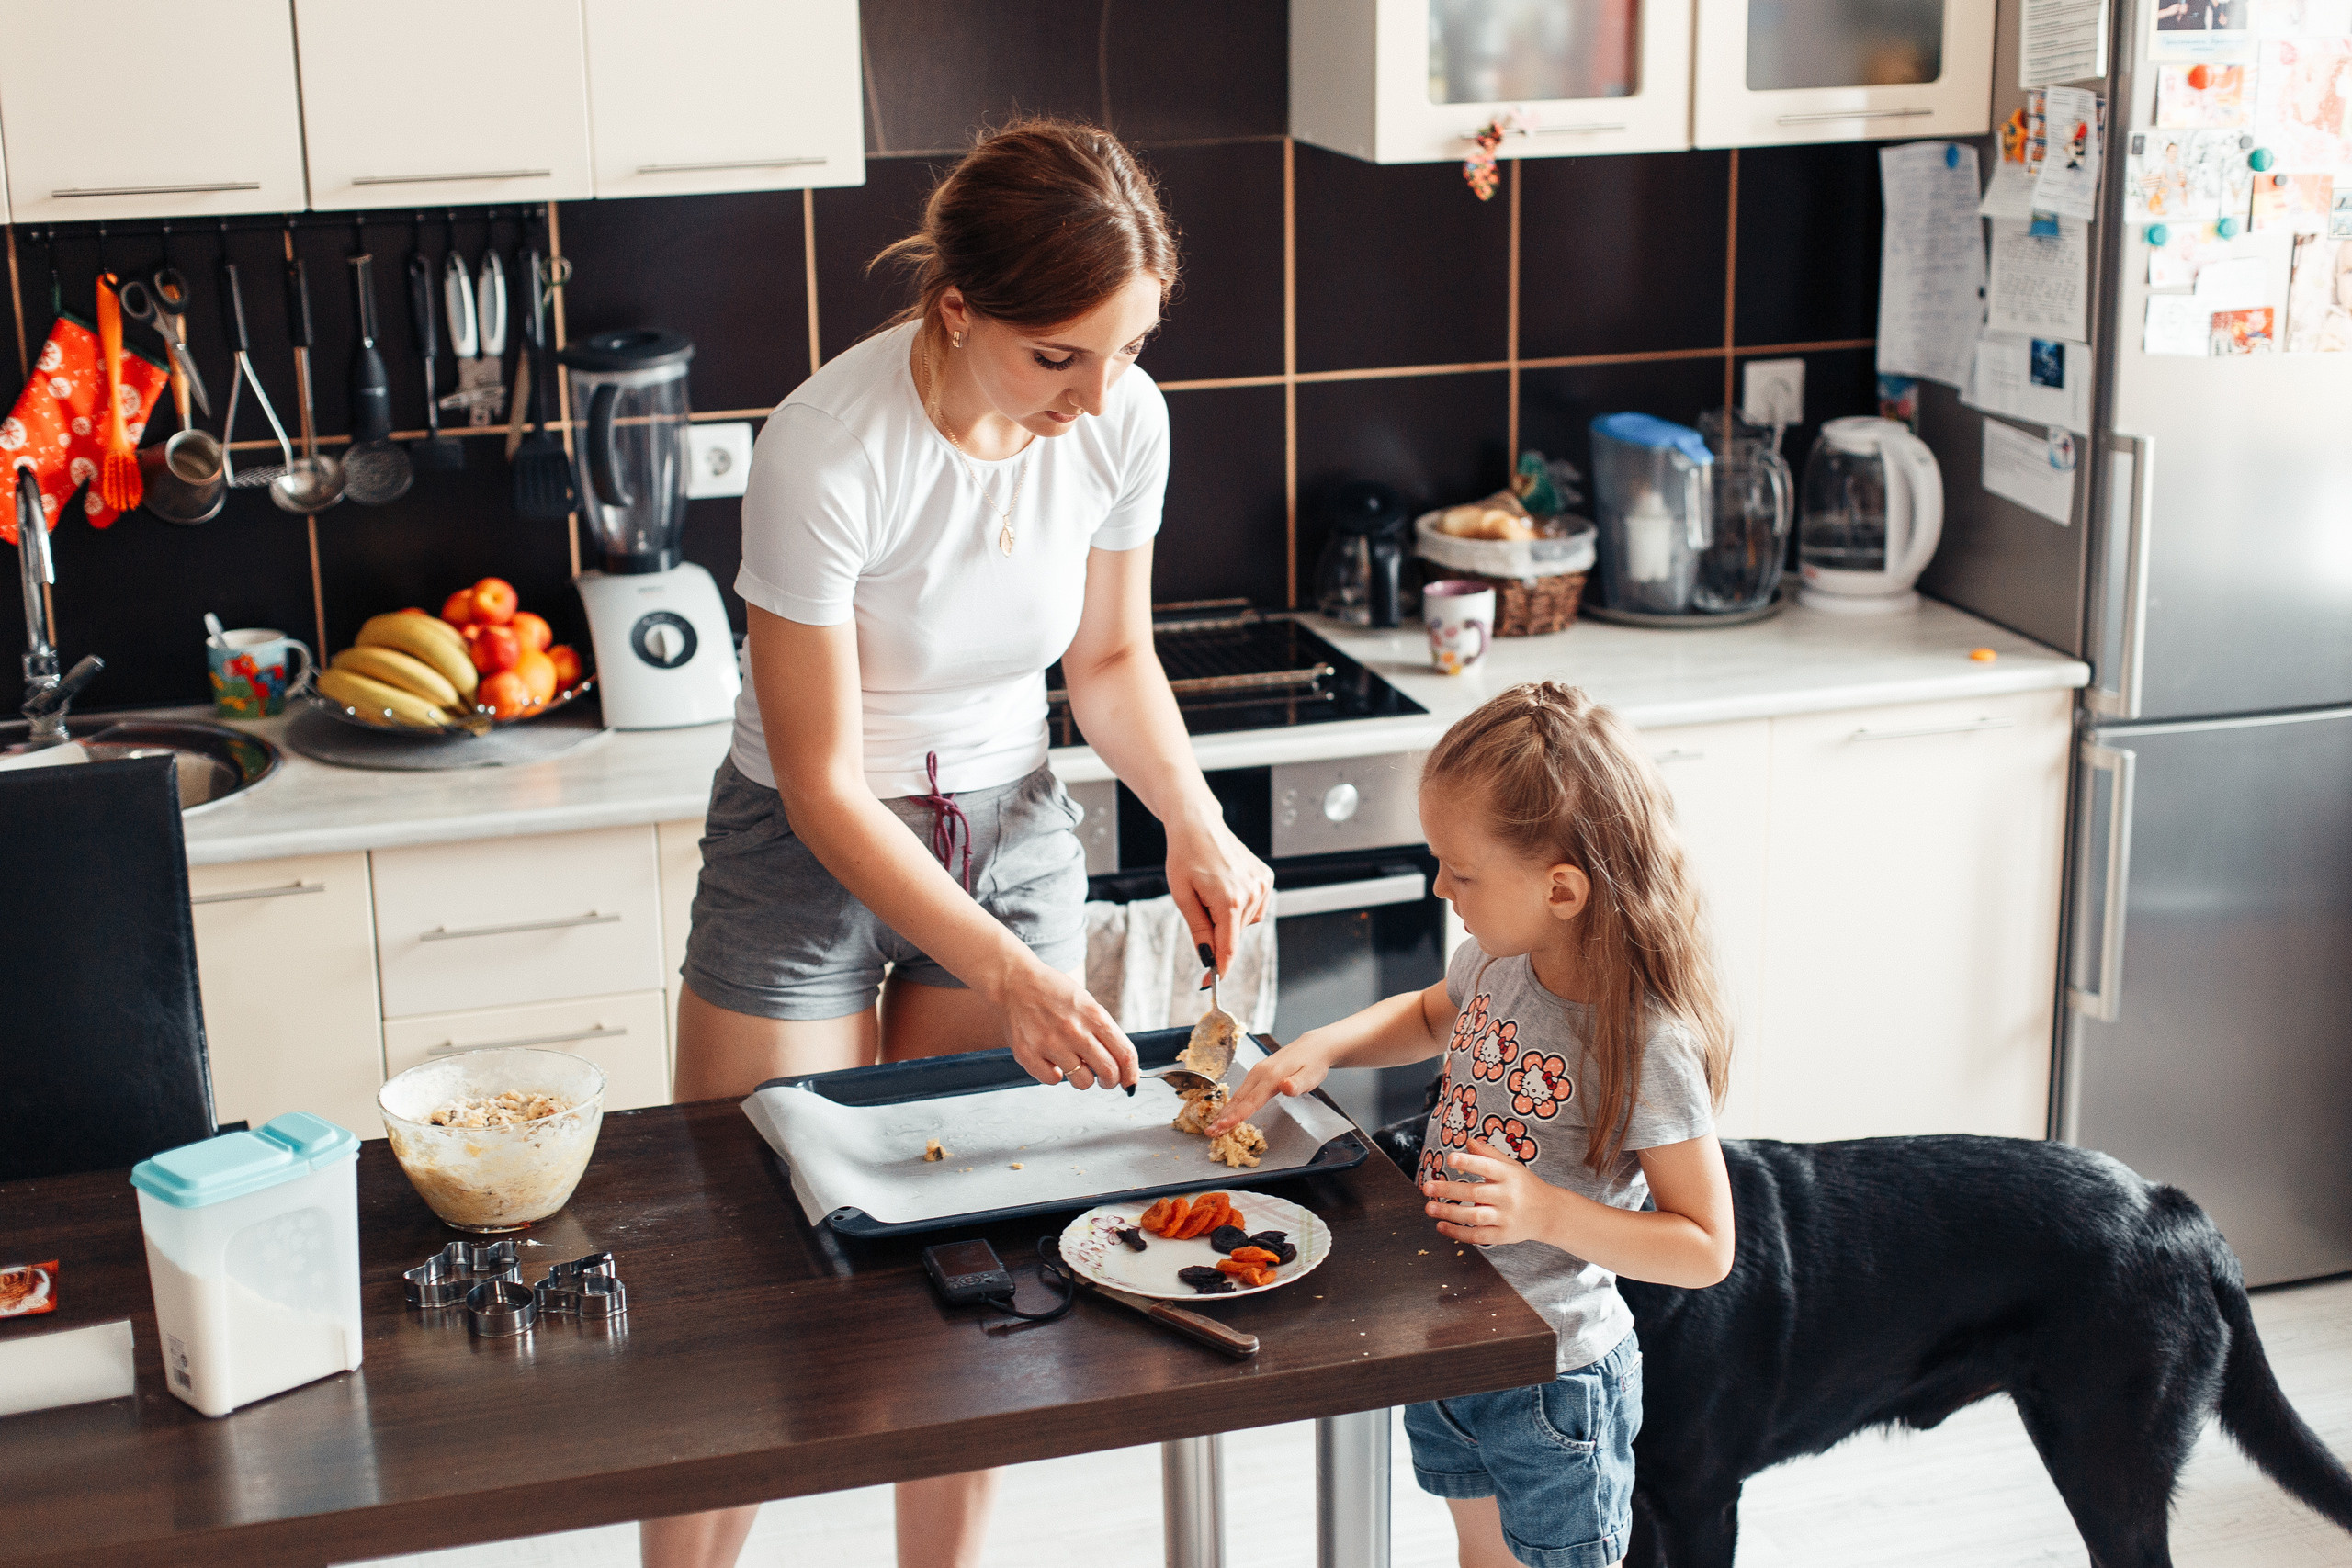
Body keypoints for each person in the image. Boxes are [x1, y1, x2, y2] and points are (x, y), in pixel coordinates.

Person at [646, 119, 1272, 1568]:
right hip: (808, 848)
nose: (1097, 394)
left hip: (1013, 824)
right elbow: (817, 783)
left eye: (1125, 350)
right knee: (753, 1274)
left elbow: (1109, 666)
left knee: (977, 1269)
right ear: (957, 309)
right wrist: (1006, 972)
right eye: (1060, 356)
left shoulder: (1122, 417)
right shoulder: (826, 447)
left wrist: (1194, 813)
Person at [1211, 682, 1736, 1568]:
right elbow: (1427, 1014)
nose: (1439, 885)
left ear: (1561, 888)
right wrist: (1327, 1044)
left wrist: (1546, 1212)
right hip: (1452, 1337)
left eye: (1461, 870)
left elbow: (1705, 1245)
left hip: (1554, 1372)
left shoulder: (1644, 1037)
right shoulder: (1501, 958)